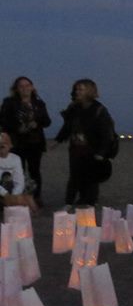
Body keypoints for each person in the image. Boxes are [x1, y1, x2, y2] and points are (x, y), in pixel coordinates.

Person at [54, 79, 115, 208]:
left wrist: (101, 152)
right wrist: (58, 140)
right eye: (76, 89)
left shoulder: (99, 109)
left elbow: (107, 133)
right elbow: (67, 127)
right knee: (75, 176)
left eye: (81, 89)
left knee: (91, 177)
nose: (77, 92)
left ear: (89, 91)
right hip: (76, 148)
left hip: (92, 148)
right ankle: (69, 202)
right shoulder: (74, 107)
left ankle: (90, 202)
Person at [0, 76, 52, 206]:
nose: (25, 88)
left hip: (35, 142)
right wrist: (17, 128)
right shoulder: (9, 103)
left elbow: (47, 121)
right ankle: (17, 198)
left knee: (35, 171)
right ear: (16, 89)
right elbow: (3, 121)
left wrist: (37, 123)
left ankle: (35, 197)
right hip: (17, 142)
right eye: (21, 86)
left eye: (27, 85)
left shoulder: (39, 103)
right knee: (17, 171)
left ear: (32, 87)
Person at [0, 132, 38, 213]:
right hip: (2, 188)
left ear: (10, 145)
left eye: (3, 145)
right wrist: (5, 194)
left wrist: (15, 195)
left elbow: (19, 179)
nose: (1, 148)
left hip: (12, 187)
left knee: (29, 184)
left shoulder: (16, 158)